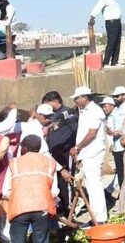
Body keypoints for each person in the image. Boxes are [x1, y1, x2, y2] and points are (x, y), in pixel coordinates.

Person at [4, 135, 57, 243]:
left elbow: (5, 191)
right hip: (42, 209)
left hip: (19, 209)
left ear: (23, 148)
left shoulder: (14, 163)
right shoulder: (50, 163)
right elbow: (54, 191)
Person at [68, 86, 108, 224]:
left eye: (77, 98)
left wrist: (78, 147)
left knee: (94, 184)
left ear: (85, 97)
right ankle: (96, 216)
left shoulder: (94, 111)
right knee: (91, 185)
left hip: (93, 152)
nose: (75, 101)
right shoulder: (84, 110)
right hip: (87, 152)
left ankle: (100, 218)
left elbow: (92, 133)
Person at [38, 92, 77, 220]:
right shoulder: (52, 117)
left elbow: (75, 130)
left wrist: (74, 146)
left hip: (66, 152)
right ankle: (62, 204)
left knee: (67, 179)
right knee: (58, 181)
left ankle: (70, 208)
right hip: (53, 153)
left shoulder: (68, 113)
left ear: (54, 101)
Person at [89, 0, 122, 67]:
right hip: (111, 23)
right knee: (111, 42)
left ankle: (115, 61)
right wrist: (92, 18)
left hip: (117, 22)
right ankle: (106, 62)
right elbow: (97, 7)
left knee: (117, 42)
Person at [106, 86, 125, 191]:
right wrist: (111, 132)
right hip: (117, 146)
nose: (115, 98)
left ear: (124, 96)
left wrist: (122, 132)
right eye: (114, 96)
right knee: (120, 173)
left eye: (117, 96)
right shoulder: (116, 110)